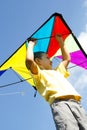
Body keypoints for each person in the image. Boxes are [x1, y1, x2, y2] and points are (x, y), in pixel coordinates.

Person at [25, 35, 87, 130]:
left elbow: (67, 59)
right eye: (47, 58)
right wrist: (31, 45)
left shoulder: (58, 71)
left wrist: (61, 43)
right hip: (60, 104)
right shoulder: (39, 74)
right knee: (69, 127)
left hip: (76, 103)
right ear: (38, 61)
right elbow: (29, 61)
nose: (51, 60)